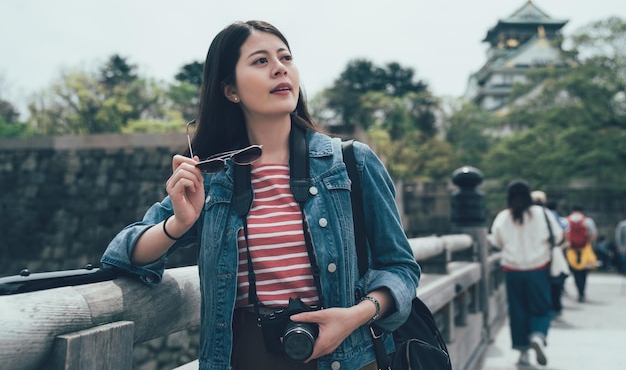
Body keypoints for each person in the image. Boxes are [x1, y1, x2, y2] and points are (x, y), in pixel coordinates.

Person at [100, 20, 421, 370]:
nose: (280, 67)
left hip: (348, 356)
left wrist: (357, 315)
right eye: (260, 61)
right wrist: (179, 223)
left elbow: (400, 267)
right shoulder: (214, 179)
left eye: (285, 57)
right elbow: (125, 254)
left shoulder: (350, 163)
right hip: (247, 357)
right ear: (230, 90)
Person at [489, 180, 563, 367]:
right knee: (540, 307)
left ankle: (523, 353)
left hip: (513, 270)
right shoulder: (542, 214)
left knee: (518, 311)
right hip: (538, 269)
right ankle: (537, 335)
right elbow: (558, 236)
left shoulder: (504, 217)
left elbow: (496, 241)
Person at [531, 191, 568, 318]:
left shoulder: (523, 213)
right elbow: (560, 235)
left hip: (530, 257)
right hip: (550, 253)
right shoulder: (549, 214)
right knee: (554, 281)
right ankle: (554, 307)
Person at [565, 205, 598, 302]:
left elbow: (564, 235)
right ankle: (582, 292)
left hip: (571, 250)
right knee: (584, 272)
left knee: (575, 272)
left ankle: (578, 290)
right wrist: (586, 241)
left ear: (572, 211)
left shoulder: (566, 220)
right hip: (585, 249)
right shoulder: (588, 221)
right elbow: (593, 235)